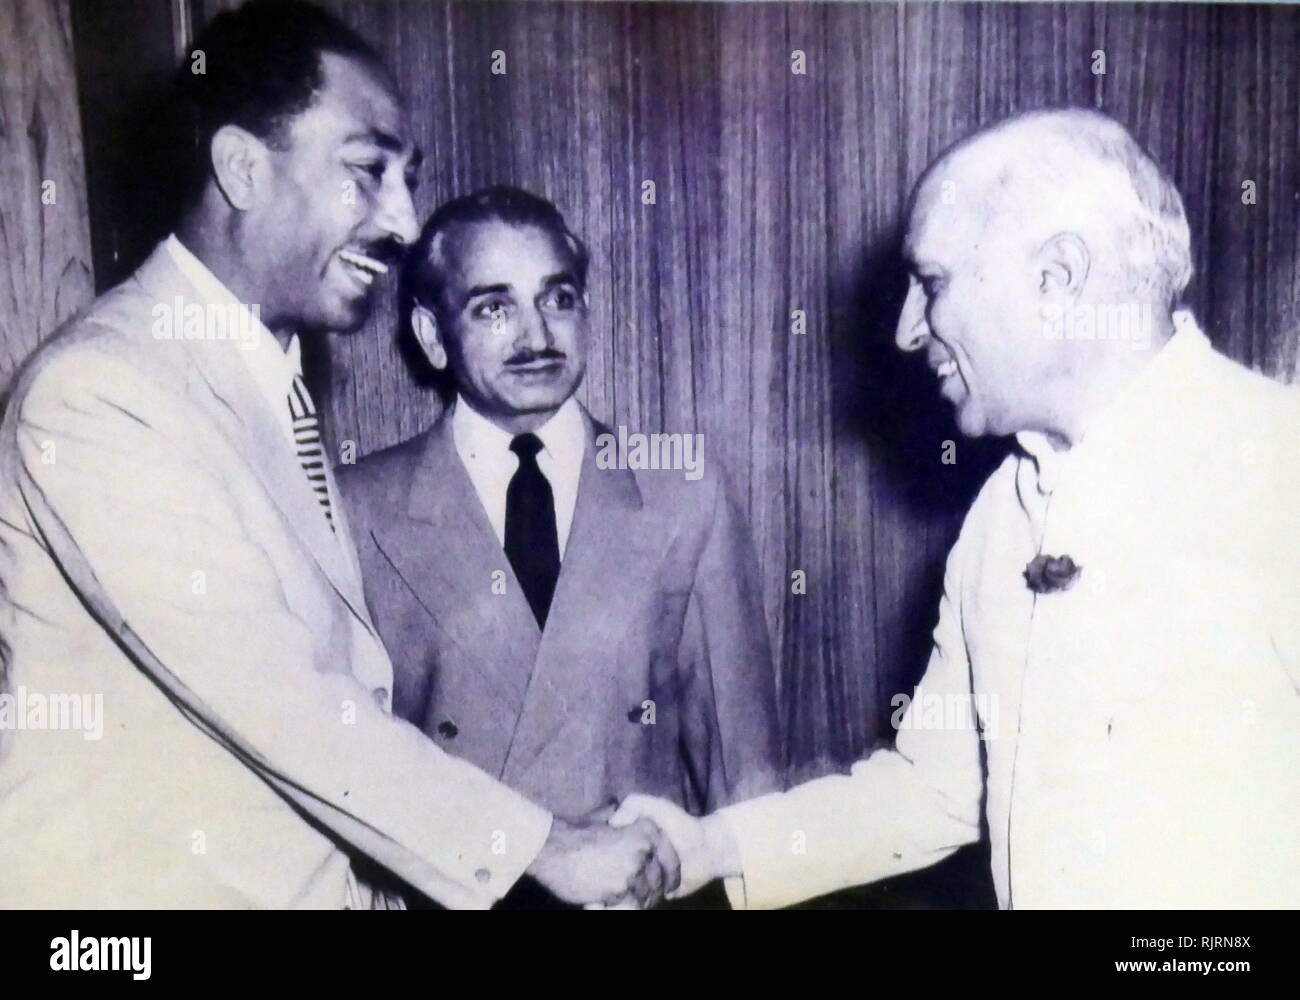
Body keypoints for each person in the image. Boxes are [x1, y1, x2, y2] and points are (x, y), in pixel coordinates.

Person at [0, 0, 669, 909]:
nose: (402, 221)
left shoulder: (257, 384)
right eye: (367, 172)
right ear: (241, 168)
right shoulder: (102, 395)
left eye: (407, 178)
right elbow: (280, 700)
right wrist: (541, 848)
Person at [613, 108, 1300, 909]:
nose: (908, 329)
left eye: (932, 283)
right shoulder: (1003, 511)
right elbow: (933, 790)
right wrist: (714, 844)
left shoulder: (1275, 469)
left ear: (1057, 278)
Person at [338, 186, 782, 904]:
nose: (536, 336)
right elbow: (342, 766)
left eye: (558, 299)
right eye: (494, 307)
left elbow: (746, 777)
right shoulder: (357, 505)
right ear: (430, 335)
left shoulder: (681, 489)